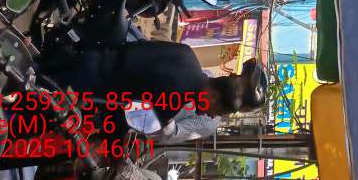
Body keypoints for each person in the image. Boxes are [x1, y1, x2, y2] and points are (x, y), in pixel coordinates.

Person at [41, 44, 267, 135]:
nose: (210, 115)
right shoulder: (171, 104)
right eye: (216, 111)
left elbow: (137, 45)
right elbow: (118, 121)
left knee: (32, 68)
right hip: (77, 92)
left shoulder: (187, 54)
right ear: (214, 95)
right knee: (26, 112)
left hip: (86, 58)